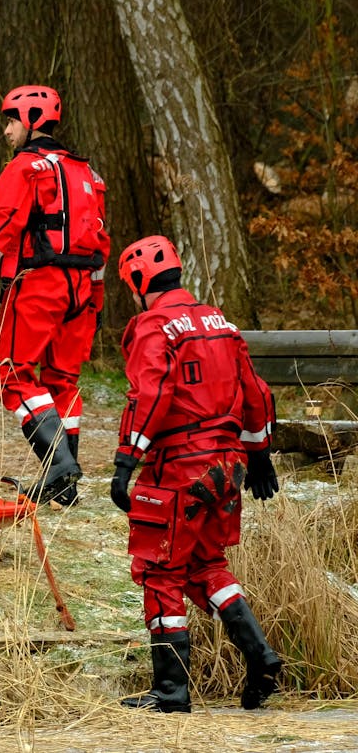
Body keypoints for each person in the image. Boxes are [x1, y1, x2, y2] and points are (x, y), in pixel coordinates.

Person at [112, 235, 282, 713]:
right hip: (228, 467)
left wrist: (126, 461)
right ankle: (260, 654)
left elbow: (150, 394)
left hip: (178, 467)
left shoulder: (154, 326)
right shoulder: (221, 323)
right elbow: (256, 392)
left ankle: (171, 691)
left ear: (140, 279)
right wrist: (260, 453)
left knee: (159, 572)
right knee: (208, 567)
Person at [0, 85, 109, 504]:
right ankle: (66, 486)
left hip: (38, 285)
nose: (6, 131)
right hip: (80, 290)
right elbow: (100, 242)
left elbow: (0, 229)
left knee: (12, 375)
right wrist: (96, 299)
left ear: (32, 120)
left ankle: (58, 465)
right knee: (62, 381)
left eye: (11, 121)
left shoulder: (27, 168)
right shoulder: (86, 173)